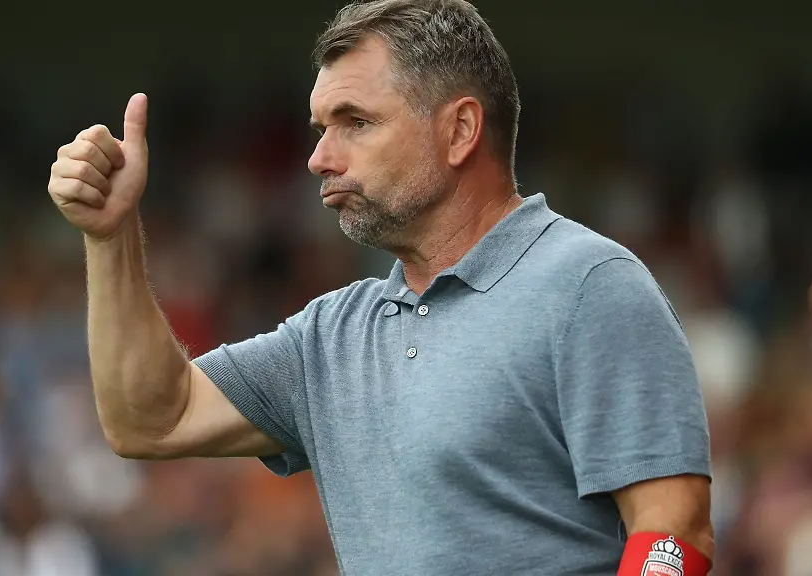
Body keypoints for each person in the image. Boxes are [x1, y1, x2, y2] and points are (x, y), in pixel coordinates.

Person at [47, 1, 714, 574]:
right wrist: (110, 237)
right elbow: (151, 419)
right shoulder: (331, 337)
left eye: (356, 123)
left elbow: (674, 531)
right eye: (321, 129)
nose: (319, 158)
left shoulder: (588, 286)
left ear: (459, 130)